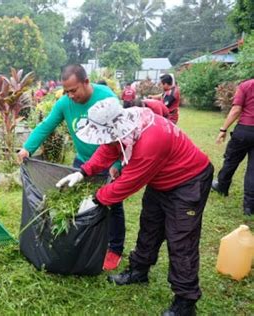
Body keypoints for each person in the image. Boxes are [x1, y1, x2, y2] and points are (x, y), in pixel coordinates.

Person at [56, 97, 213, 316]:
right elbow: (110, 148)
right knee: (149, 226)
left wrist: (95, 199)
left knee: (181, 239)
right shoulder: (127, 123)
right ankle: (138, 271)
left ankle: (185, 301)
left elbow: (127, 183)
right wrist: (83, 172)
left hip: (189, 181)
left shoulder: (150, 140)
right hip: (161, 179)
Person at [18, 64, 126, 271]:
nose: (70, 95)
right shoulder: (64, 103)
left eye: (73, 90)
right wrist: (27, 149)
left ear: (86, 82)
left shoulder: (106, 98)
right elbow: (46, 126)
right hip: (83, 162)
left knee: (113, 205)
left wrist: (117, 164)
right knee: (77, 201)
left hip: (109, 162)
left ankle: (114, 249)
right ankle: (82, 241)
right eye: (66, 91)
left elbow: (120, 134)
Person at [212, 78, 254, 216]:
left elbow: (236, 109)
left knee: (231, 160)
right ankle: (249, 206)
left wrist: (223, 129)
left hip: (244, 130)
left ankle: (222, 187)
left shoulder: (246, 85)